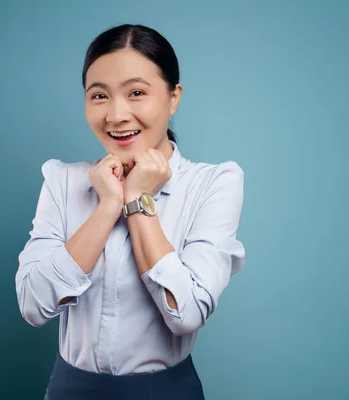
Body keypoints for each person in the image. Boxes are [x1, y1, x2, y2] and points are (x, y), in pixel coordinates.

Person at [15, 24, 245, 400]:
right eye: (99, 96)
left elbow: (185, 314)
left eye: (137, 93)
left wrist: (138, 201)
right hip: (71, 390)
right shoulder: (62, 180)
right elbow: (33, 305)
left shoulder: (213, 183)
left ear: (173, 98)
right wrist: (107, 206)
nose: (116, 115)